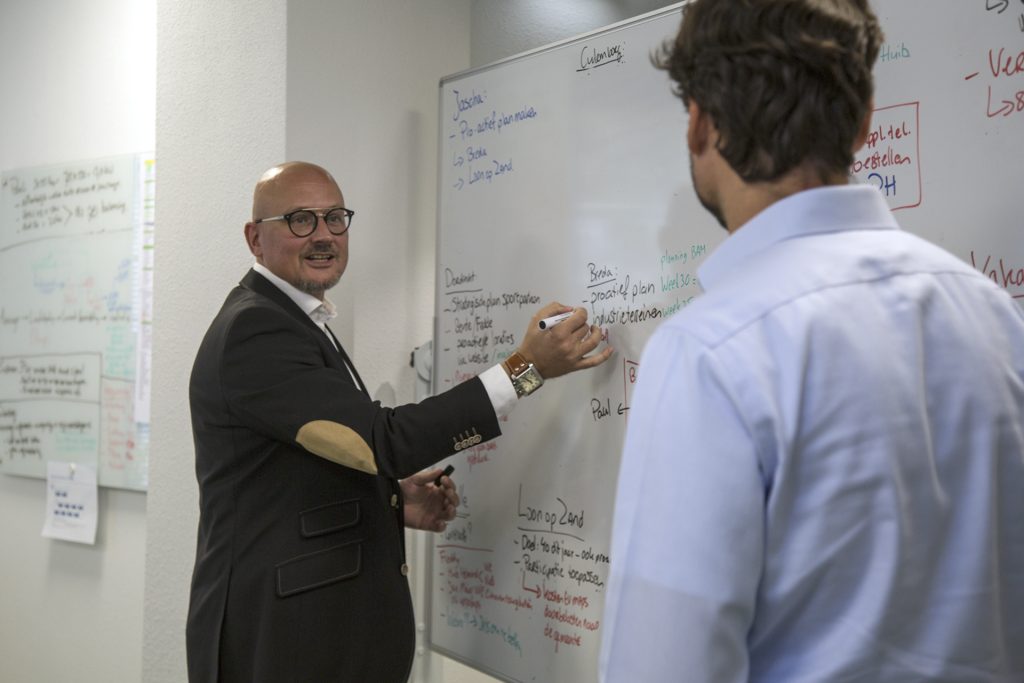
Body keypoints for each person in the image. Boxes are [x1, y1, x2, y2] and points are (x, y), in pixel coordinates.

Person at [600, 1, 1024, 682]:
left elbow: (664, 666)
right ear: (862, 120)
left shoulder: (709, 353)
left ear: (699, 123)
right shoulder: (997, 317)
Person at [186, 161, 612, 682]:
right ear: (255, 238)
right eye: (301, 220)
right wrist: (523, 370)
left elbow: (317, 456)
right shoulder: (257, 328)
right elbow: (379, 439)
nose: (323, 236)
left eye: (335, 219)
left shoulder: (297, 319)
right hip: (285, 643)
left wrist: (387, 497)